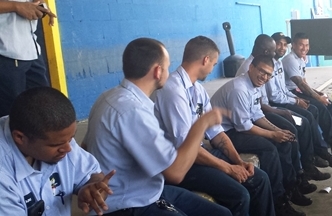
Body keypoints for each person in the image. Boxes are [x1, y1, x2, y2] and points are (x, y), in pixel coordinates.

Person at [84, 38, 231, 216]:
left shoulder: (109, 96)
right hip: (127, 203)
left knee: (222, 213)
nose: (169, 74)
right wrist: (201, 124)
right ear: (157, 71)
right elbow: (176, 173)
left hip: (147, 190)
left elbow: (85, 148)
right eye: (168, 68)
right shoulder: (133, 111)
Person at [151, 36, 275, 216]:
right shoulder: (172, 90)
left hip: (200, 153)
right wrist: (228, 168)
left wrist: (238, 161)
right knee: (239, 195)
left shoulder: (198, 89)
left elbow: (216, 133)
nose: (213, 68)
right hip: (181, 163)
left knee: (259, 178)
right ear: (205, 60)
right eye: (214, 63)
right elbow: (186, 144)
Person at [211, 54, 307, 216]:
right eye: (262, 71)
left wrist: (276, 130)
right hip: (224, 133)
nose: (265, 77)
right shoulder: (239, 89)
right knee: (269, 148)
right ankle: (278, 202)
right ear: (251, 68)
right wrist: (271, 135)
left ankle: (290, 188)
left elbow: (256, 115)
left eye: (269, 74)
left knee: (285, 139)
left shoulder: (254, 86)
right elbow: (243, 127)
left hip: (238, 127)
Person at [0, 87, 114, 215]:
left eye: (71, 138)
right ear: (20, 137)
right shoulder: (3, 174)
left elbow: (93, 175)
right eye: (57, 144)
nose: (68, 148)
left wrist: (93, 189)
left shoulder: (60, 140)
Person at [267, 32, 332, 168]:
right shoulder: (283, 61)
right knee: (309, 114)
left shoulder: (281, 62)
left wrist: (314, 94)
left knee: (324, 106)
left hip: (288, 96)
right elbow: (294, 87)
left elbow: (289, 88)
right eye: (279, 44)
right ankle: (313, 158)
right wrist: (299, 100)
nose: (304, 48)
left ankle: (327, 144)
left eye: (284, 44)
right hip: (276, 104)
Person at [282, 32, 332, 154]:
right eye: (301, 45)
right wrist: (318, 99)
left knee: (328, 103)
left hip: (298, 90)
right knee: (319, 106)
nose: (304, 48)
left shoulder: (301, 58)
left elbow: (304, 81)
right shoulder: (290, 60)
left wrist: (318, 93)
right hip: (290, 93)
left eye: (307, 45)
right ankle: (330, 143)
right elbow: (300, 84)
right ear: (293, 45)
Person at [0, 1, 57, 117]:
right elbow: (21, 6)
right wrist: (17, 6)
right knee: (12, 114)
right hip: (6, 52)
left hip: (32, 50)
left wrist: (41, 7)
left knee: (41, 108)